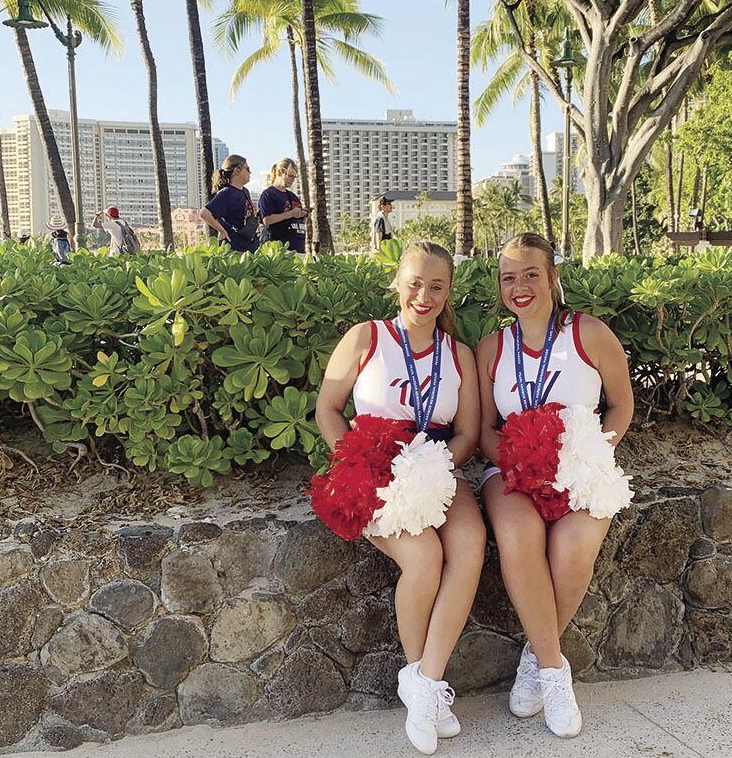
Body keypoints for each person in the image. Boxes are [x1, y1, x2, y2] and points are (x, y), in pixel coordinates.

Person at [315, 241, 485, 755]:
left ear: (449, 290)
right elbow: (327, 408)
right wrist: (359, 460)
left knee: (471, 543)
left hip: (435, 467)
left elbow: (469, 434)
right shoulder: (364, 337)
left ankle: (425, 683)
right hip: (370, 469)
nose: (424, 295)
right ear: (397, 282)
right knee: (425, 557)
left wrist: (431, 468)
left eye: (437, 286)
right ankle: (422, 683)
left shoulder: (460, 354)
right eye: (415, 283)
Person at [475, 233, 634, 740]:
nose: (519, 286)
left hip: (581, 468)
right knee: (519, 539)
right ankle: (555, 674)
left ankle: (536, 659)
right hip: (512, 472)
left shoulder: (590, 333)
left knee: (572, 551)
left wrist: (590, 451)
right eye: (508, 278)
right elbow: (481, 429)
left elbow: (621, 405)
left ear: (553, 278)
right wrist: (521, 462)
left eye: (530, 275)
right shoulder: (491, 347)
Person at [199, 155, 260, 253]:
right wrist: (222, 230)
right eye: (247, 169)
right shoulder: (227, 193)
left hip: (249, 246)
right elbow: (204, 213)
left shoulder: (245, 191)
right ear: (237, 170)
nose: (250, 172)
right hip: (234, 248)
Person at [259, 158, 308, 254]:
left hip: (297, 247)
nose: (292, 180)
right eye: (290, 176)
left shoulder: (293, 196)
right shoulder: (268, 194)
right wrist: (290, 214)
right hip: (278, 248)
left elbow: (299, 219)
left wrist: (303, 215)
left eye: (294, 178)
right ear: (280, 172)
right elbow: (266, 220)